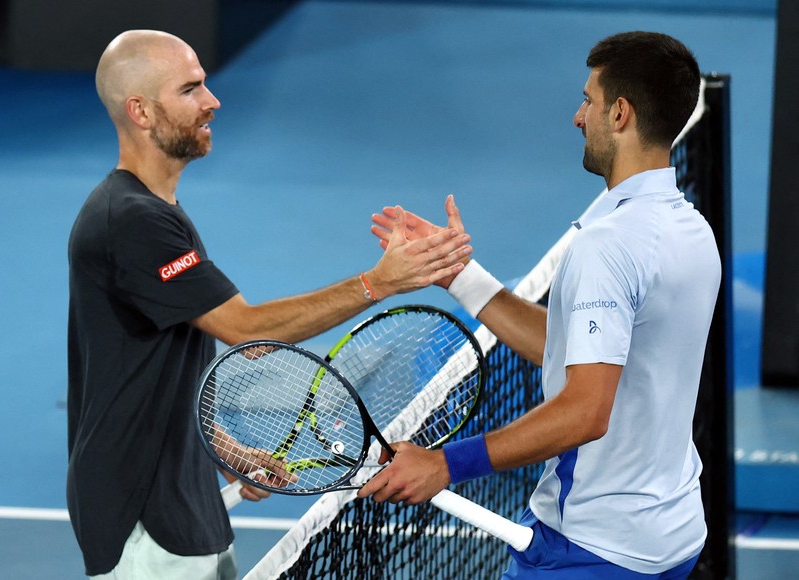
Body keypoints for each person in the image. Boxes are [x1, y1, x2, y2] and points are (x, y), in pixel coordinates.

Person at [67, 29, 472, 579]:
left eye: (205, 85)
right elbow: (247, 331)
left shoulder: (156, 212)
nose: (213, 101)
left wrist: (228, 450)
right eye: (190, 90)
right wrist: (379, 283)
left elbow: (159, 370)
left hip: (183, 500)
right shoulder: (134, 222)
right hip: (144, 513)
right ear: (140, 111)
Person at [359, 31, 720, 579]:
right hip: (670, 535)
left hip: (594, 548)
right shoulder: (690, 229)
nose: (579, 117)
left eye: (588, 100)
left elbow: (585, 410)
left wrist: (443, 463)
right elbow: (576, 348)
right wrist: (459, 275)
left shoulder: (609, 243)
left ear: (619, 114)